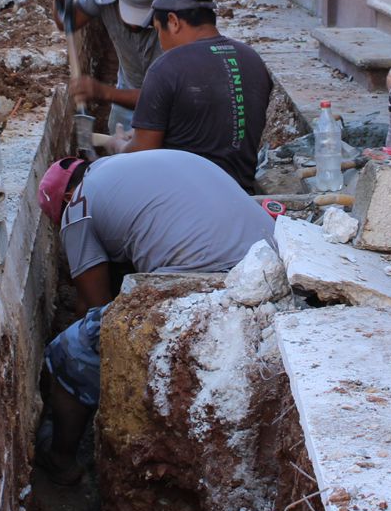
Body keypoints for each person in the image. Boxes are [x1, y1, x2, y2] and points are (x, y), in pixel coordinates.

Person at [36, 149, 277, 483]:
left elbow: (93, 305)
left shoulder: (75, 207)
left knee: (72, 350)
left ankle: (61, 461)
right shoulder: (132, 165)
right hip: (273, 264)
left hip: (214, 286)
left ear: (63, 199)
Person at [126, 0, 273, 192]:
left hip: (184, 201)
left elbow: (142, 156)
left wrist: (120, 147)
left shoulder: (166, 69)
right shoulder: (252, 60)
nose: (160, 41)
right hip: (241, 197)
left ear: (173, 21)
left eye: (158, 30)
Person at [51, 0, 164, 131]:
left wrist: (102, 91)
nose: (133, 24)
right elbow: (67, 22)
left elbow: (160, 99)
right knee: (120, 145)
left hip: (164, 99)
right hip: (127, 87)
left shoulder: (173, 19)